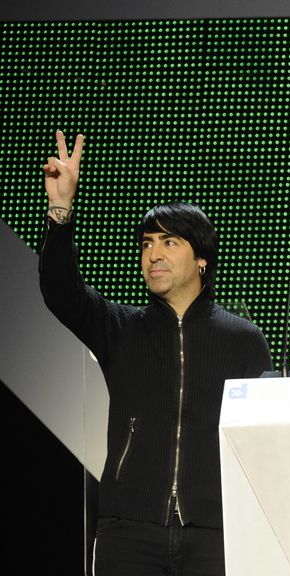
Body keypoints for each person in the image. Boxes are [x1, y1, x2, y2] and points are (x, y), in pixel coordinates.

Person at [38, 130, 273, 575]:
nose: (154, 255)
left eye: (169, 242)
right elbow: (59, 290)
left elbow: (260, 442)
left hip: (215, 532)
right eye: (147, 244)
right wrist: (61, 209)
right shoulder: (121, 328)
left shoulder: (243, 340)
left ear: (201, 259)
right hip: (129, 529)